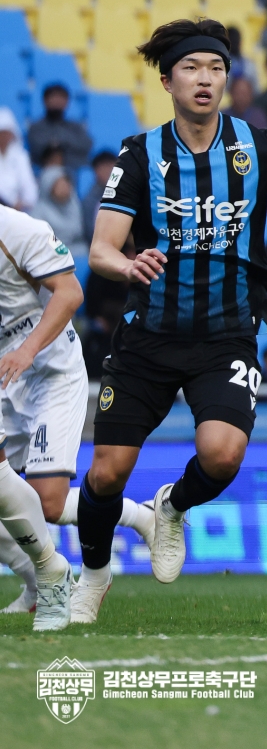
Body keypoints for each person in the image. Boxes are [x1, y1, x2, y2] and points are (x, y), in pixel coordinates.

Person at [73, 18, 267, 624]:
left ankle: (171, 507)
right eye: (191, 68)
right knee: (105, 474)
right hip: (149, 337)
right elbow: (100, 248)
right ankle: (95, 575)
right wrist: (127, 264)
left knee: (223, 455)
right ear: (168, 81)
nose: (205, 78)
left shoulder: (255, 147)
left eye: (215, 68)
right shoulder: (140, 154)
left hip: (226, 336)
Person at [0, 201, 92, 629]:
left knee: (49, 503)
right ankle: (40, 581)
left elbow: (71, 293)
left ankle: (138, 515)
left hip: (50, 370)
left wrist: (26, 350)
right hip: (6, 378)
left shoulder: (17, 229)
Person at [26, 84, 93, 170]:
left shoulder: (76, 127)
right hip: (45, 171)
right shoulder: (36, 127)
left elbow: (86, 145)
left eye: (61, 98)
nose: (57, 101)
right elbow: (39, 150)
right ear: (45, 101)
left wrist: (60, 141)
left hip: (74, 169)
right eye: (53, 97)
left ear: (67, 102)